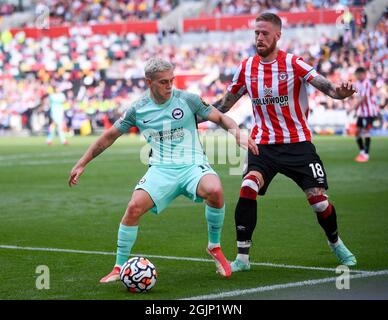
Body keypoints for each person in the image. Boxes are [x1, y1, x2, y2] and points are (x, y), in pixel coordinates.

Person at [68, 58, 258, 282]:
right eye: (163, 82)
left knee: (215, 190)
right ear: (149, 82)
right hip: (161, 169)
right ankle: (119, 267)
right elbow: (108, 137)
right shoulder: (138, 109)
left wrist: (236, 132)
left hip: (192, 165)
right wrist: (82, 163)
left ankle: (214, 246)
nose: (169, 86)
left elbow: (220, 116)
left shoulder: (187, 99)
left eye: (172, 80)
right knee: (133, 207)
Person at [216, 13, 357, 272]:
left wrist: (341, 94)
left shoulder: (294, 64)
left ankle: (335, 242)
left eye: (265, 33)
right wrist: (199, 113)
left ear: (278, 35)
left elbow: (329, 89)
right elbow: (225, 104)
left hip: (297, 144)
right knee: (248, 186)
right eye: (256, 33)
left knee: (319, 201)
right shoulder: (246, 68)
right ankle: (242, 259)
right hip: (263, 145)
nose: (259, 38)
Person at [351, 67, 379, 162]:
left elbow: (363, 98)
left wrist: (353, 108)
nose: (357, 76)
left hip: (370, 112)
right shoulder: (358, 83)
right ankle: (362, 152)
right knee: (357, 132)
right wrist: (356, 111)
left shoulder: (367, 83)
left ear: (363, 74)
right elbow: (359, 98)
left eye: (359, 74)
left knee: (366, 131)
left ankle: (366, 155)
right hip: (362, 113)